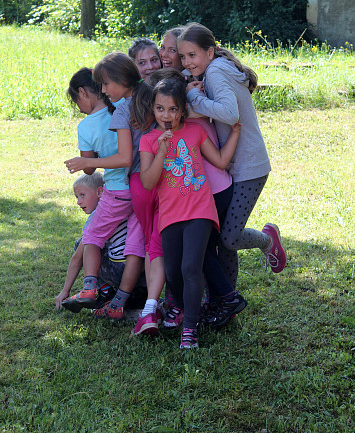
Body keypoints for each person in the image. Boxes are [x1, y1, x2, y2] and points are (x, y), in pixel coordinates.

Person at [65, 54, 164, 336]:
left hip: (125, 186)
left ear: (120, 81)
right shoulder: (145, 98)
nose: (104, 90)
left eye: (106, 84)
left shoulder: (120, 111)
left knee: (92, 237)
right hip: (150, 186)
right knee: (137, 247)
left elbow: (121, 157)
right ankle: (120, 302)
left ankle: (89, 289)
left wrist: (85, 163)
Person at [139, 77, 242, 349]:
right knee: (173, 272)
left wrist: (235, 133)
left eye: (173, 109)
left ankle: (190, 329)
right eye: (161, 109)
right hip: (170, 216)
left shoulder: (195, 131)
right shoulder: (149, 141)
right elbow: (148, 182)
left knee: (190, 267)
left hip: (199, 210)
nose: (167, 115)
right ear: (153, 109)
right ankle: (185, 309)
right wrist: (161, 151)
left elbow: (220, 160)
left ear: (183, 111)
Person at [177, 23, 287, 274]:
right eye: (183, 56)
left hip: (250, 167)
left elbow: (229, 113)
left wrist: (193, 97)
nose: (187, 62)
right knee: (224, 240)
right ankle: (228, 301)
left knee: (229, 237)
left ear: (210, 52)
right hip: (232, 165)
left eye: (192, 55)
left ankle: (268, 240)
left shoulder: (215, 72)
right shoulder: (213, 69)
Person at [55, 172, 147, 313]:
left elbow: (77, 259)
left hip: (119, 270)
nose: (78, 201)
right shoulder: (123, 207)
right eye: (76, 197)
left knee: (83, 245)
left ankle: (105, 293)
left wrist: (65, 291)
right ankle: (135, 295)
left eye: (82, 195)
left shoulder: (97, 217)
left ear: (100, 192)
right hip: (139, 270)